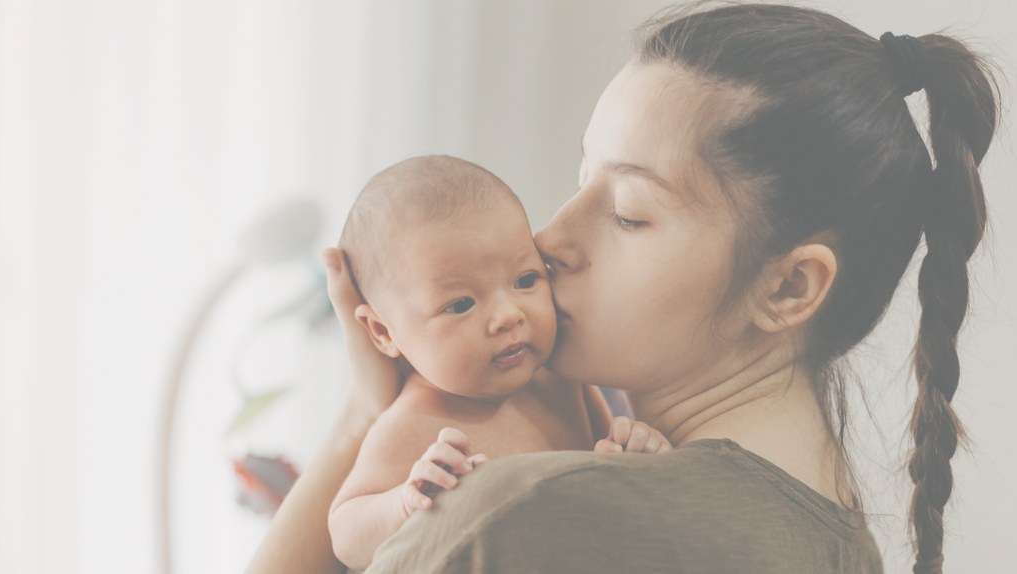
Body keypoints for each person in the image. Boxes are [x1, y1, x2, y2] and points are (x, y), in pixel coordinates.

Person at [245, 3, 998, 574]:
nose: (550, 240)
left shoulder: (520, 513)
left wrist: (360, 420)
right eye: (582, 181)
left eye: (629, 213)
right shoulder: (842, 546)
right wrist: (378, 408)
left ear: (789, 287)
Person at [326, 155, 665, 570]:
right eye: (461, 304)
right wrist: (403, 503)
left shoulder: (559, 381)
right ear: (383, 332)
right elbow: (345, 534)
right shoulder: (411, 422)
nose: (508, 315)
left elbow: (603, 464)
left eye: (525, 280)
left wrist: (631, 454)